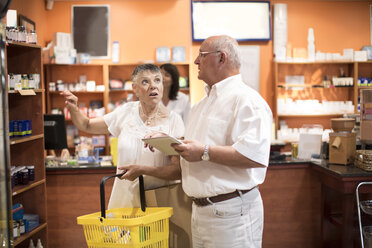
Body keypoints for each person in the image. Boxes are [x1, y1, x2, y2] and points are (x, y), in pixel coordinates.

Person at [172, 35, 273, 248]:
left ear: (221, 58)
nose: (196, 61)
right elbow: (201, 146)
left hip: (232, 214)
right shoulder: (201, 105)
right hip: (200, 212)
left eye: (201, 55)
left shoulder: (246, 100)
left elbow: (253, 155)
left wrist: (204, 152)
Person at [61, 64, 184, 208]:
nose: (153, 86)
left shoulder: (174, 121)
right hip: (124, 203)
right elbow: (87, 125)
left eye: (157, 80)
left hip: (158, 205)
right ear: (135, 88)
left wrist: (143, 170)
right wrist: (74, 108)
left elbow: (177, 171)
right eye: (145, 82)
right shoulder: (126, 112)